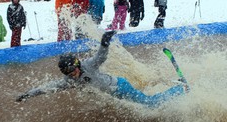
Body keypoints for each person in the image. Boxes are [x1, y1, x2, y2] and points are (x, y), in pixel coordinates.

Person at [16, 31, 188, 106]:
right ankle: (164, 83)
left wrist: (104, 42)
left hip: (120, 87)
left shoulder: (88, 65)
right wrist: (29, 94)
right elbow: (49, 88)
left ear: (77, 65)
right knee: (141, 104)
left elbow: (101, 56)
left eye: (73, 70)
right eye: (68, 73)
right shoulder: (69, 81)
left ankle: (180, 89)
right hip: (114, 94)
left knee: (150, 105)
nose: (72, 75)